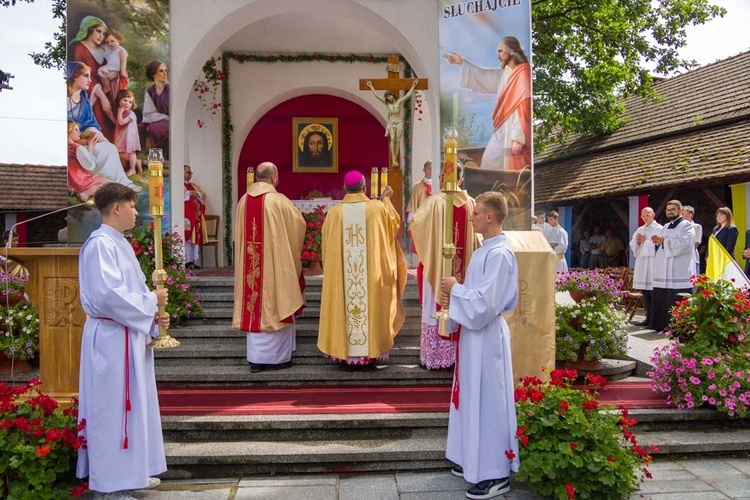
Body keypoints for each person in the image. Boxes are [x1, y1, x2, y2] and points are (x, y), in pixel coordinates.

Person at [76, 182, 169, 498]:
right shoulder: (101, 244)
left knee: (131, 408)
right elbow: (108, 296)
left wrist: (154, 316)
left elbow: (132, 289)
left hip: (126, 335)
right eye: (131, 206)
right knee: (112, 409)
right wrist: (151, 302)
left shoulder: (119, 243)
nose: (134, 212)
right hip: (111, 339)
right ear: (116, 208)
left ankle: (132, 472)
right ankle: (111, 484)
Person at [439, 191, 519, 499]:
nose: (471, 217)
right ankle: (472, 458)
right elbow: (475, 295)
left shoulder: (500, 254)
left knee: (489, 401)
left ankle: (495, 471)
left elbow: (486, 304)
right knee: (472, 397)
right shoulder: (484, 250)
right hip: (475, 337)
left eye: (476, 213)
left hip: (486, 337)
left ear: (490, 217)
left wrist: (456, 289)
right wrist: (454, 296)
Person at [317, 171, 406, 369]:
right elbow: (394, 223)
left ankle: (345, 353)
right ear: (365, 188)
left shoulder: (334, 213)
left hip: (344, 279)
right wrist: (387, 200)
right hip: (371, 278)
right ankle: (372, 350)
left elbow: (327, 246)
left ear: (345, 188)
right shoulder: (377, 209)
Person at [232, 162, 306, 373]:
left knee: (254, 305)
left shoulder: (244, 201)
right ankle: (277, 359)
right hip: (275, 267)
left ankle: (256, 359)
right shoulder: (278, 201)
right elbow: (298, 226)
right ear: (273, 178)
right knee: (278, 301)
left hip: (250, 267)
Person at [411, 163, 479, 370]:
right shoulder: (471, 204)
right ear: (460, 180)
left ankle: (435, 358)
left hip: (438, 272)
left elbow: (415, 225)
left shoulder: (434, 202)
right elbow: (478, 240)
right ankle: (456, 358)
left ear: (442, 178)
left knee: (436, 305)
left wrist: (431, 254)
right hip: (463, 276)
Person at [443, 36, 531, 171]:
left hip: (513, 131)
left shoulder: (523, 73)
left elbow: (522, 106)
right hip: (502, 128)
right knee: (489, 160)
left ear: (512, 52)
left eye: (500, 51)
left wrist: (518, 138)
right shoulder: (504, 74)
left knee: (502, 164)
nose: (498, 56)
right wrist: (461, 63)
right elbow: (483, 76)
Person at [67, 62, 142, 193]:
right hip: (70, 141)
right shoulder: (64, 98)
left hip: (82, 135)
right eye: (86, 76)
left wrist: (95, 132)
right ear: (73, 76)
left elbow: (89, 121)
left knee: (110, 148)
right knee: (104, 150)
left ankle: (122, 183)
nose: (90, 80)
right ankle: (110, 184)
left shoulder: (83, 96)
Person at [650, 200, 695, 332]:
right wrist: (657, 242)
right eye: (668, 209)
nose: (670, 211)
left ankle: (678, 328)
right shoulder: (665, 226)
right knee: (662, 297)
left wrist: (663, 242)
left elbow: (685, 243)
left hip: (678, 270)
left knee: (676, 300)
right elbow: (660, 243)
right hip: (662, 270)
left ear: (680, 211)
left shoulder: (687, 226)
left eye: (673, 209)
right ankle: (661, 325)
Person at [68, 15, 115, 139]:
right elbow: (78, 74)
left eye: (104, 33)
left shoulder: (103, 51)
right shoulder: (78, 48)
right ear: (89, 30)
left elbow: (111, 69)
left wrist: (114, 74)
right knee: (100, 108)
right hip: (86, 91)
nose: (101, 36)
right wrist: (102, 96)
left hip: (104, 90)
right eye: (98, 31)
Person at [366, 79, 419, 168]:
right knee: (393, 138)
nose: (389, 98)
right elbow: (377, 96)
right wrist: (371, 86)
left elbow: (407, 96)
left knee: (398, 139)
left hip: (398, 122)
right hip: (391, 123)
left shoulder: (398, 102)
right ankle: (393, 158)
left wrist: (413, 86)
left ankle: (395, 158)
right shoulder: (387, 104)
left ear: (392, 96)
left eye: (390, 96)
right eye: (387, 97)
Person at [629, 207, 663, 327]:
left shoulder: (659, 228)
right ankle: (647, 317)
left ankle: (654, 319)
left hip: (653, 263)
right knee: (645, 292)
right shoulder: (640, 229)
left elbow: (659, 245)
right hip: (642, 262)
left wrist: (645, 241)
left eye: (647, 215)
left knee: (652, 291)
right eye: (643, 216)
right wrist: (637, 242)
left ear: (653, 215)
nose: (645, 218)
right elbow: (632, 244)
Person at [67, 121, 108, 202]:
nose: (80, 132)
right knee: (105, 182)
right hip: (79, 179)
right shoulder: (78, 148)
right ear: (68, 131)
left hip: (69, 180)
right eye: (76, 130)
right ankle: (85, 193)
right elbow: (90, 165)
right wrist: (91, 145)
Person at [143, 60, 170, 155]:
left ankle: (159, 153)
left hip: (173, 121)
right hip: (160, 120)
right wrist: (164, 117)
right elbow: (148, 113)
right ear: (154, 74)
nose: (165, 73)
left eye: (165, 70)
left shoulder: (171, 88)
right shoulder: (150, 91)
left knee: (155, 128)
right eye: (161, 71)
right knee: (144, 127)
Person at [114, 90, 142, 176]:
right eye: (125, 100)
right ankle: (133, 163)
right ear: (119, 101)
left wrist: (119, 112)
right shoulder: (123, 113)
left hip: (130, 137)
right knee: (119, 152)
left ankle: (132, 169)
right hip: (122, 136)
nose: (127, 103)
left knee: (130, 153)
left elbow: (121, 122)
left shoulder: (131, 114)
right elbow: (118, 122)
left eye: (130, 102)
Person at [183, 165, 207, 269]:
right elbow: (177, 196)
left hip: (195, 216)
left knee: (194, 239)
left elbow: (203, 196)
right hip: (187, 215)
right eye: (188, 172)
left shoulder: (194, 185)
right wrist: (188, 193)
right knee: (187, 238)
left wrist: (197, 193)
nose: (190, 174)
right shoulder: (179, 184)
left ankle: (193, 261)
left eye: (191, 173)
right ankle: (185, 261)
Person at [99, 29, 129, 101]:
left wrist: (122, 72)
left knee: (117, 91)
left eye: (112, 41)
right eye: (107, 42)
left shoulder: (121, 50)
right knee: (101, 71)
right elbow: (100, 45)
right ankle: (106, 87)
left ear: (118, 40)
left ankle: (107, 89)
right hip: (109, 68)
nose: (110, 44)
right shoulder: (107, 48)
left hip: (116, 69)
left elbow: (123, 61)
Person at [681, 205, 702, 274]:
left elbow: (696, 243)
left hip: (691, 256)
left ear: (690, 215)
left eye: (683, 214)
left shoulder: (696, 227)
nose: (681, 216)